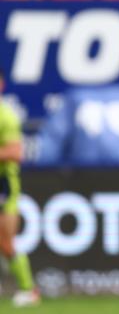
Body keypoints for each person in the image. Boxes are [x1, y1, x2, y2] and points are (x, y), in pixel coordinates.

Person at [0, 69, 40, 307]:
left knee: (5, 242)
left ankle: (29, 289)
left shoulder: (6, 115)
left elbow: (16, 152)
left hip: (4, 187)